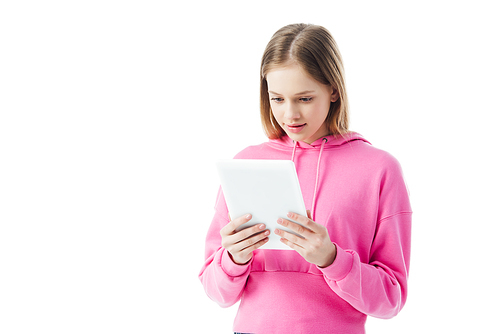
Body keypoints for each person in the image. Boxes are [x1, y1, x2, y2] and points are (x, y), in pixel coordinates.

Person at [199, 23, 412, 334]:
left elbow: (391, 299)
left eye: (305, 99)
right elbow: (215, 290)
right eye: (277, 99)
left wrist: (331, 259)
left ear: (334, 89)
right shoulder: (247, 163)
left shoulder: (379, 169)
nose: (290, 116)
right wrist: (234, 256)